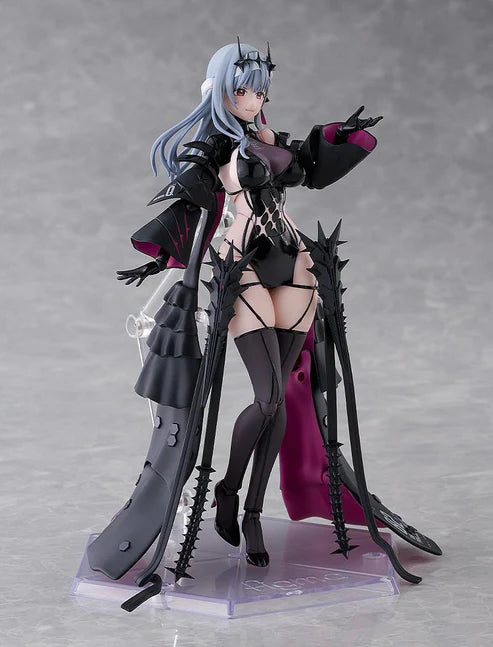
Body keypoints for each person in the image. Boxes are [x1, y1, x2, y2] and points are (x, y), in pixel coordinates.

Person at [117, 40, 381, 568]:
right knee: (267, 398)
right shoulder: (214, 148)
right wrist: (171, 266)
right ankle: (229, 490)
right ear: (220, 90)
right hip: (246, 266)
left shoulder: (270, 138)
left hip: (294, 261)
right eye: (243, 90)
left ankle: (254, 511)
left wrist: (339, 136)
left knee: (278, 401)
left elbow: (309, 167)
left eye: (260, 90)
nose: (254, 99)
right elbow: (194, 211)